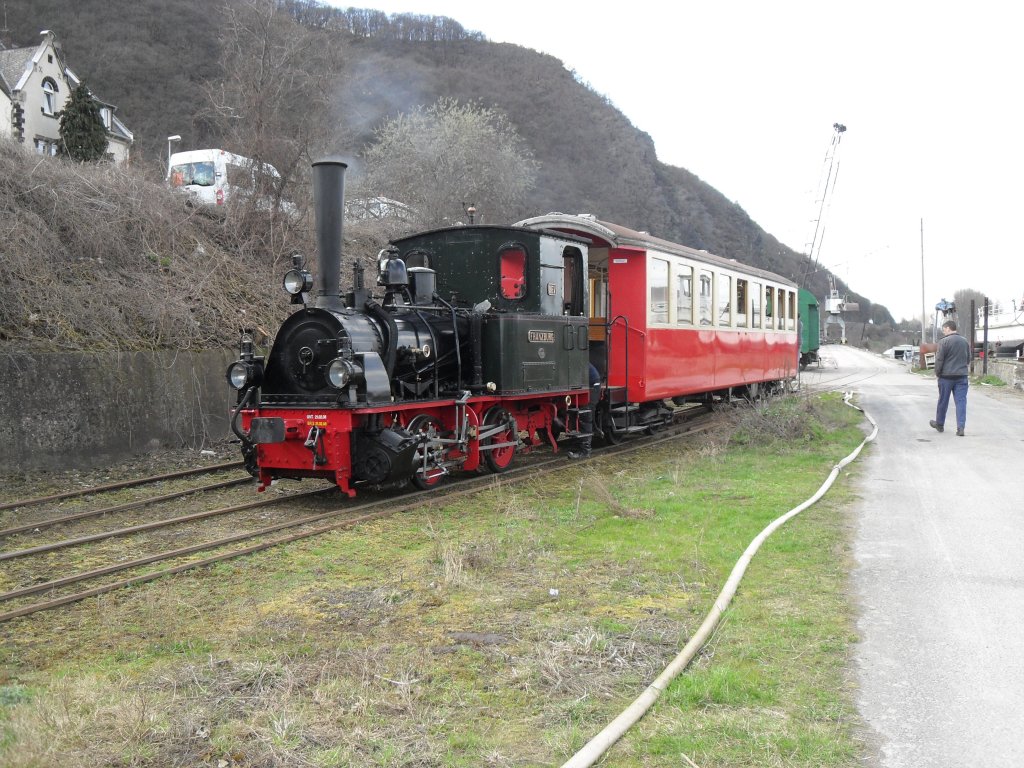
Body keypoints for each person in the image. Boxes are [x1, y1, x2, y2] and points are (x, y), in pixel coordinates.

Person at [929, 319, 971, 436]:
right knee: (961, 402)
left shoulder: (944, 342)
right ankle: (960, 428)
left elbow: (939, 359)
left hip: (946, 377)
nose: (943, 332)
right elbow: (968, 358)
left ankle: (940, 424)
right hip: (962, 376)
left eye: (944, 330)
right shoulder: (964, 341)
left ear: (948, 328)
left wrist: (937, 373)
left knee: (943, 401)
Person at [569, 363, 602, 459]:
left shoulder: (577, 362)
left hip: (592, 386)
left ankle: (585, 451)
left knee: (585, 415)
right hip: (586, 385)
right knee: (575, 415)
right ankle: (576, 447)